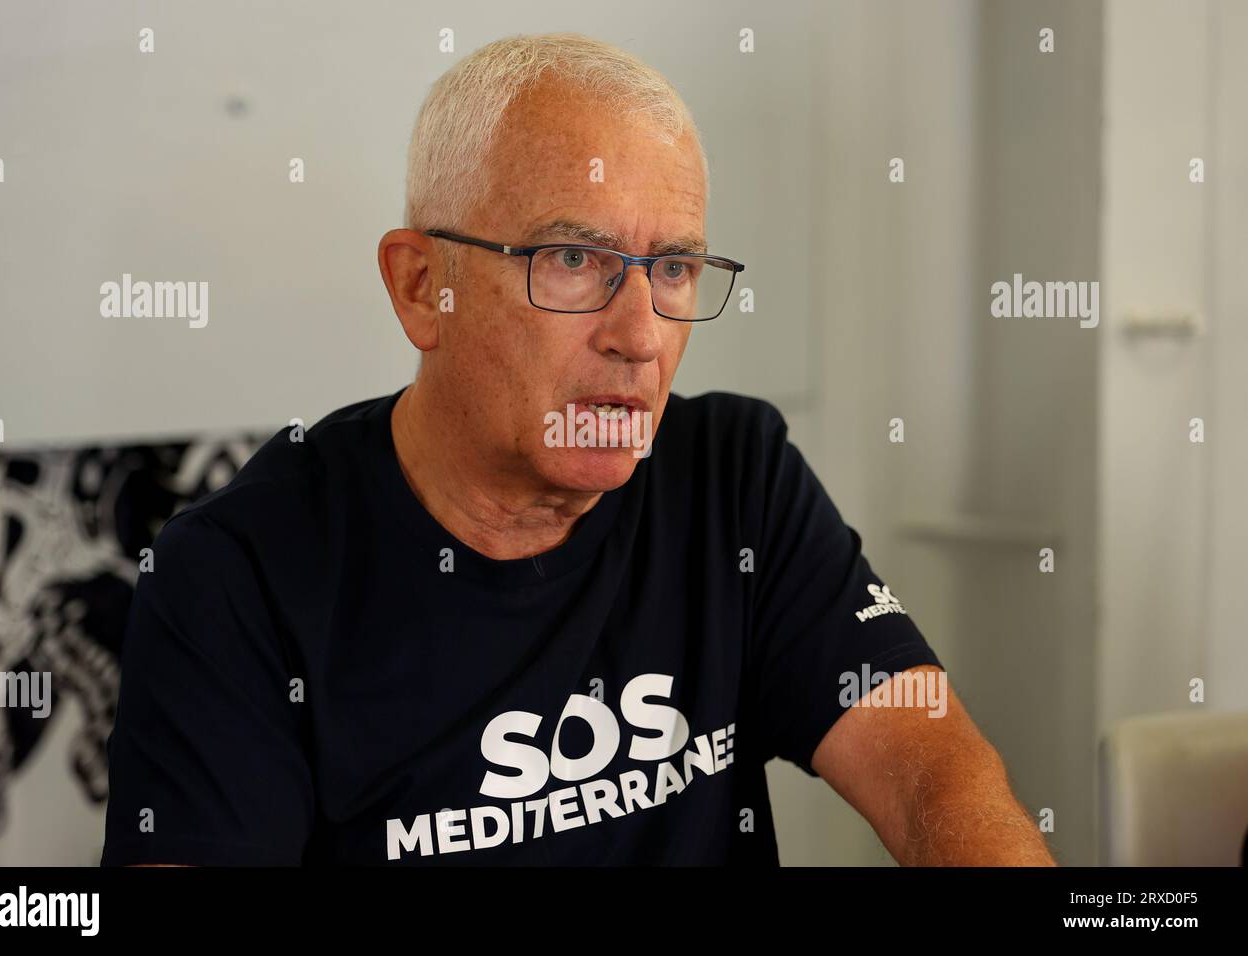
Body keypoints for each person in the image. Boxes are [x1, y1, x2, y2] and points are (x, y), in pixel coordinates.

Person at [101, 32, 1055, 866]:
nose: (640, 336)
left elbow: (930, 769)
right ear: (421, 284)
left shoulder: (733, 476)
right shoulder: (238, 579)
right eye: (573, 260)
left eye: (673, 268)